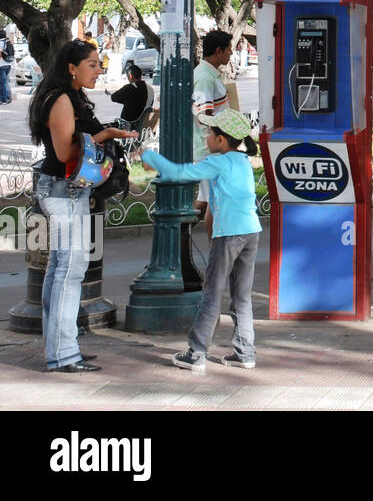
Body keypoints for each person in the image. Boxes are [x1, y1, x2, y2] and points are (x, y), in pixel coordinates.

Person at [28, 39, 136, 372]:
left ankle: (60, 345)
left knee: (61, 270)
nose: (99, 70)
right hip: (62, 190)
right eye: (92, 64)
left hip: (69, 189)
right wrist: (105, 136)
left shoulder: (71, 96)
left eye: (99, 63)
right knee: (68, 272)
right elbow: (64, 154)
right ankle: (62, 353)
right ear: (71, 68)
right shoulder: (60, 99)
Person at [144, 108, 261, 373]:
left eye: (209, 132)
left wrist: (151, 158)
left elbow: (180, 173)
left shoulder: (218, 162)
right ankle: (245, 353)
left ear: (221, 139)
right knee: (242, 296)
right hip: (251, 232)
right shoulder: (242, 161)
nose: (206, 136)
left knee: (211, 293)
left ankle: (196, 353)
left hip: (228, 235)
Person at [193, 30, 234, 236]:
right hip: (209, 150)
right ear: (219, 51)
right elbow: (204, 116)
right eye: (229, 49)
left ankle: (180, 237)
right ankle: (215, 251)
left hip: (212, 149)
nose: (232, 53)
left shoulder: (209, 74)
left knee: (205, 199)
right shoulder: (205, 78)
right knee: (215, 202)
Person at [107, 63, 151, 134]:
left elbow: (113, 97)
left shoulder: (128, 88)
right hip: (144, 123)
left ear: (130, 76)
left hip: (130, 124)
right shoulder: (150, 89)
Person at [0, 27, 13, 104]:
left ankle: (3, 99)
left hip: (1, 65)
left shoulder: (0, 43)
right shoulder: (8, 42)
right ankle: (8, 98)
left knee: (3, 83)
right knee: (5, 82)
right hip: (8, 64)